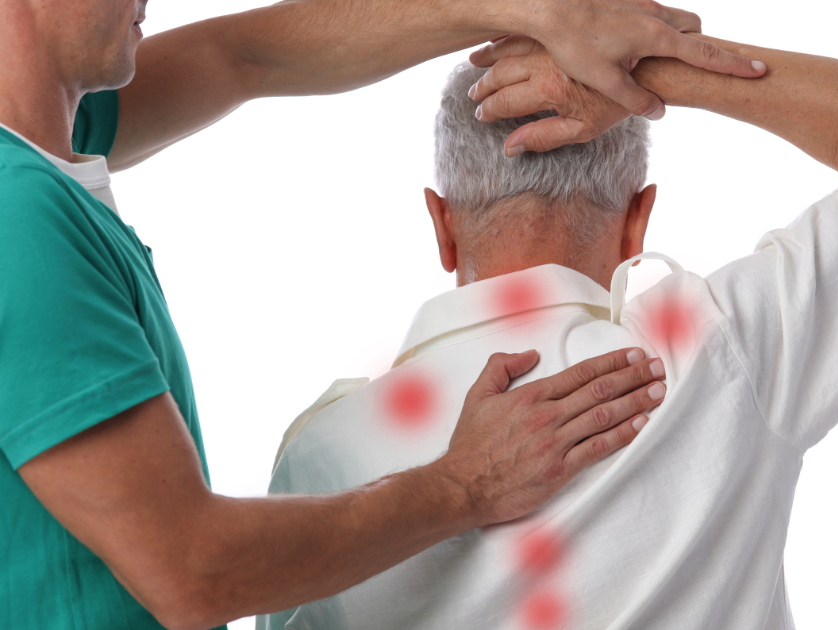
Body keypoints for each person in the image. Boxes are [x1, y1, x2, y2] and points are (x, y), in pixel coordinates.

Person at [0, 1, 769, 629]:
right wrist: (466, 484)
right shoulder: (18, 213)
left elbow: (248, 55)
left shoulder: (49, 154)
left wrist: (542, 12)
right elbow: (193, 570)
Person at [262, 27, 838, 630]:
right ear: (638, 220)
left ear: (441, 224)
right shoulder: (720, 347)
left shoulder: (317, 452)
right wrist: (651, 73)